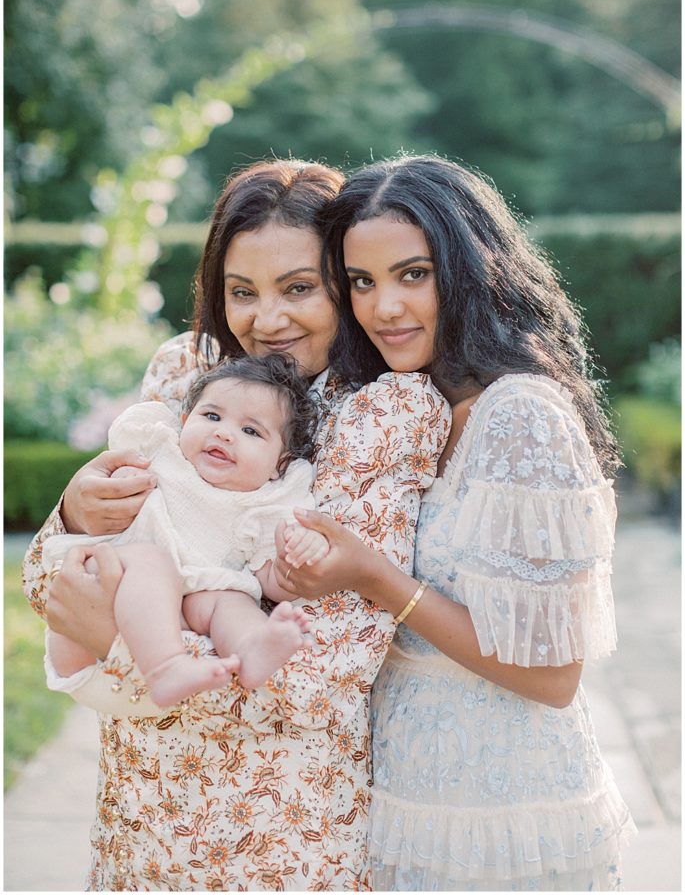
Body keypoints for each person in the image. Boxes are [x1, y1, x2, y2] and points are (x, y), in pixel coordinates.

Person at [22, 158, 451, 891]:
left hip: (281, 826)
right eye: (241, 292)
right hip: (143, 813)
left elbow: (323, 677)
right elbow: (52, 583)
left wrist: (119, 648)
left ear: (342, 287)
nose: (267, 319)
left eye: (298, 289)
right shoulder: (186, 376)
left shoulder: (382, 418)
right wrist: (69, 512)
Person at [274, 155, 637, 891]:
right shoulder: (395, 406)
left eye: (414, 274)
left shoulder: (520, 415)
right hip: (399, 804)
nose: (384, 308)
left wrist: (374, 578)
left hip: (505, 822)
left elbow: (552, 676)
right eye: (362, 282)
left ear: (470, 271)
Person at [42, 355, 330, 705]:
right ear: (184, 421)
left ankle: (251, 650)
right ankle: (166, 668)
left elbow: (271, 581)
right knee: (151, 560)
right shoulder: (162, 455)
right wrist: (123, 480)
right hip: (98, 601)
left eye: (250, 430)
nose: (223, 432)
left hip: (176, 613)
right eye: (212, 416)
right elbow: (111, 487)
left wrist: (296, 552)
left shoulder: (264, 506)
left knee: (232, 599)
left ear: (279, 464)